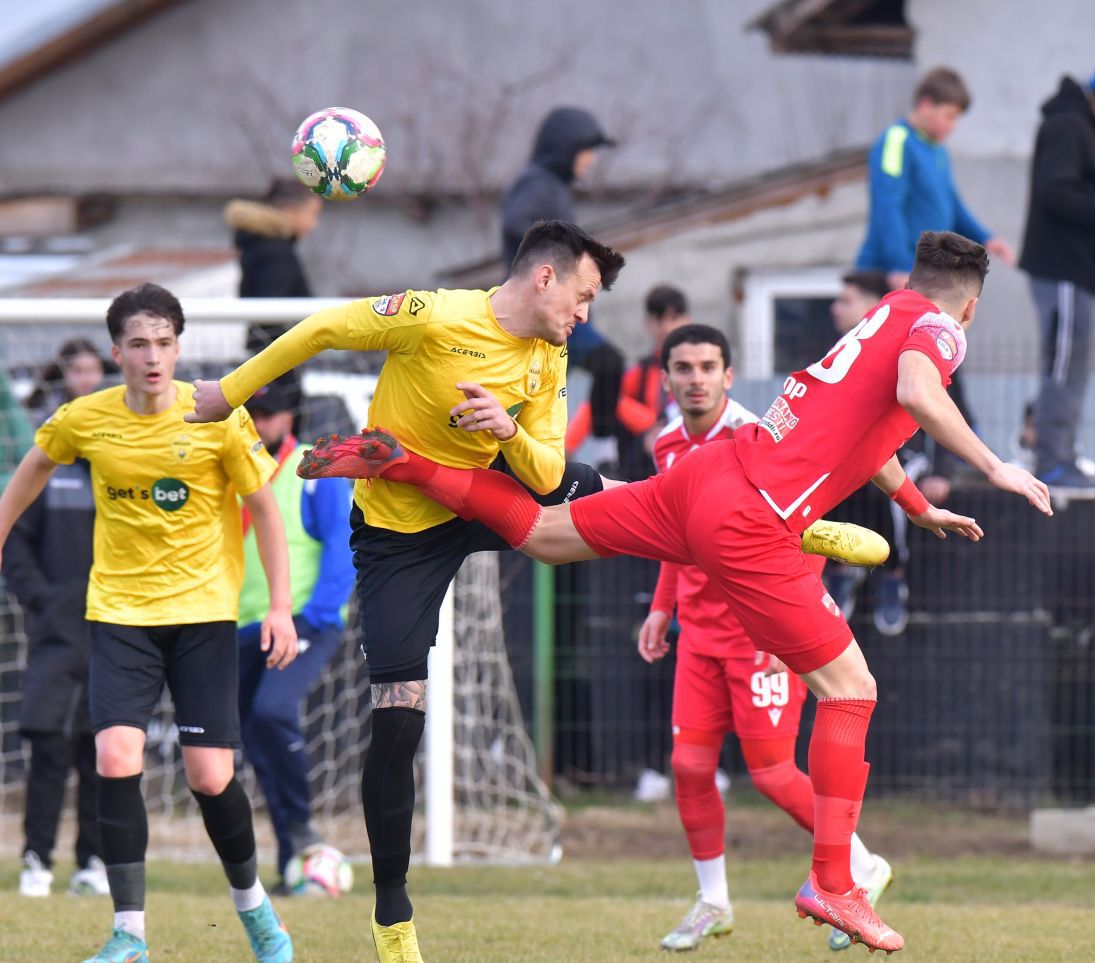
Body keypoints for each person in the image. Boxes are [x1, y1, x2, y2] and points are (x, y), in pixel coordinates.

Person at [287, 231, 1053, 954]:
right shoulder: (942, 334)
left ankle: (405, 464)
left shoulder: (888, 314)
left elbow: (872, 424)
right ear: (971, 306)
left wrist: (919, 506)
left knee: (551, 536)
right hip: (752, 519)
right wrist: (998, 467)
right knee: (851, 689)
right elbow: (920, 391)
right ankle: (835, 879)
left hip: (708, 475)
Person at [185, 220, 882, 961]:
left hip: (496, 485)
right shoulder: (433, 316)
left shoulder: (548, 355)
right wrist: (227, 393)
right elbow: (323, 325)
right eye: (582, 296)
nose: (585, 316)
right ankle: (393, 917)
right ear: (544, 277)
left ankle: (793, 530)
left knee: (632, 497)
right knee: (396, 717)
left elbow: (546, 472)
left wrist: (501, 426)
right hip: (400, 535)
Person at [0, 283, 297, 963]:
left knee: (210, 776)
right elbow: (36, 462)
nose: (153, 356)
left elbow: (267, 509)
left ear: (179, 347)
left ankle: (255, 911)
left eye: (164, 342)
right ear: (116, 352)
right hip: (120, 614)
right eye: (138, 343)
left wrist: (278, 606)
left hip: (202, 618)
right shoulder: (86, 417)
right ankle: (129, 934)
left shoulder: (217, 415)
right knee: (115, 757)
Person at [637, 323, 891, 953]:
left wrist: (784, 627)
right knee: (689, 766)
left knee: (775, 775)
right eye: (683, 368)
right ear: (666, 378)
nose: (695, 378)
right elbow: (676, 527)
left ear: (729, 375)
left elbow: (806, 533)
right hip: (699, 637)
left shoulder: (761, 440)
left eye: (707, 366)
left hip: (759, 635)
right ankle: (712, 902)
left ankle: (861, 869)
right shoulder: (667, 443)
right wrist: (662, 608)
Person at [237, 373, 356, 891]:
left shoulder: (316, 466)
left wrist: (321, 613)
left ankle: (304, 830)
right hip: (237, 625)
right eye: (254, 414)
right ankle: (292, 860)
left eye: (272, 413)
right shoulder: (229, 462)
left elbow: (342, 541)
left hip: (304, 620)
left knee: (273, 711)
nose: (262, 423)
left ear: (291, 415)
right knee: (253, 740)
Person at [4, 338, 107, 899]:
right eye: (78, 370)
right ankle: (36, 861)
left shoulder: (121, 461)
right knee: (48, 747)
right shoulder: (47, 458)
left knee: (100, 748)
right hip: (54, 629)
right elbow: (16, 541)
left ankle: (92, 862)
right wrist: (42, 598)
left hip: (110, 625)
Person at [1020, 55, 1095, 491]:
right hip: (1064, 271)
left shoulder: (1076, 126)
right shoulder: (1068, 127)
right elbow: (1056, 193)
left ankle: (1060, 454)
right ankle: (1053, 462)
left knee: (1067, 365)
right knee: (1064, 366)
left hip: (1071, 273)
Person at [825, 270, 961, 635]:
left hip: (907, 453)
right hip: (852, 450)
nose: (835, 309)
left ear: (874, 307)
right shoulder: (839, 349)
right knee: (827, 476)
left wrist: (944, 472)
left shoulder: (922, 347)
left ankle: (892, 574)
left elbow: (956, 416)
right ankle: (839, 569)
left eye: (846, 301)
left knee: (890, 487)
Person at [501, 107, 625, 471]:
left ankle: (561, 459)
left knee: (548, 396)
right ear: (565, 148)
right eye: (585, 151)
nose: (588, 161)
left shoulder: (551, 187)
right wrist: (563, 253)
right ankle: (604, 455)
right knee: (607, 363)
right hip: (547, 308)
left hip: (562, 310)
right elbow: (515, 224)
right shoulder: (537, 184)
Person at [856, 67, 1015, 290]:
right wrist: (899, 265)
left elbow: (952, 203)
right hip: (890, 273)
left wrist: (985, 237)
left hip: (922, 271)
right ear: (925, 105)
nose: (953, 125)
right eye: (949, 115)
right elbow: (888, 206)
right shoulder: (896, 141)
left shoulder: (937, 149)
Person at [566, 283, 692, 480]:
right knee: (605, 397)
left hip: (688, 450)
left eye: (674, 319)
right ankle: (564, 453)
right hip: (646, 465)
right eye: (660, 319)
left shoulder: (702, 368)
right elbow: (598, 404)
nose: (667, 327)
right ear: (648, 322)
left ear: (687, 320)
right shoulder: (641, 372)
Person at [227, 178, 325, 352]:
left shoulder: (260, 246)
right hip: (278, 360)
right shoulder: (276, 253)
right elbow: (270, 316)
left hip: (269, 356)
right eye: (312, 214)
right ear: (290, 212)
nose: (314, 224)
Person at [24, 338, 110, 424]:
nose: (85, 379)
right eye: (77, 370)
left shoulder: (113, 403)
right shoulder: (45, 409)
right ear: (63, 373)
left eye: (92, 370)